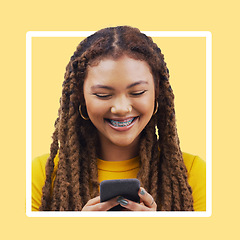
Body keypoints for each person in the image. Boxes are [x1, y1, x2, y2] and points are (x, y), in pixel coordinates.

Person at [32, 26, 206, 211]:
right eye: (102, 94)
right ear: (81, 99)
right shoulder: (41, 174)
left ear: (157, 95)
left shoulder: (193, 172)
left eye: (137, 92)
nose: (121, 109)